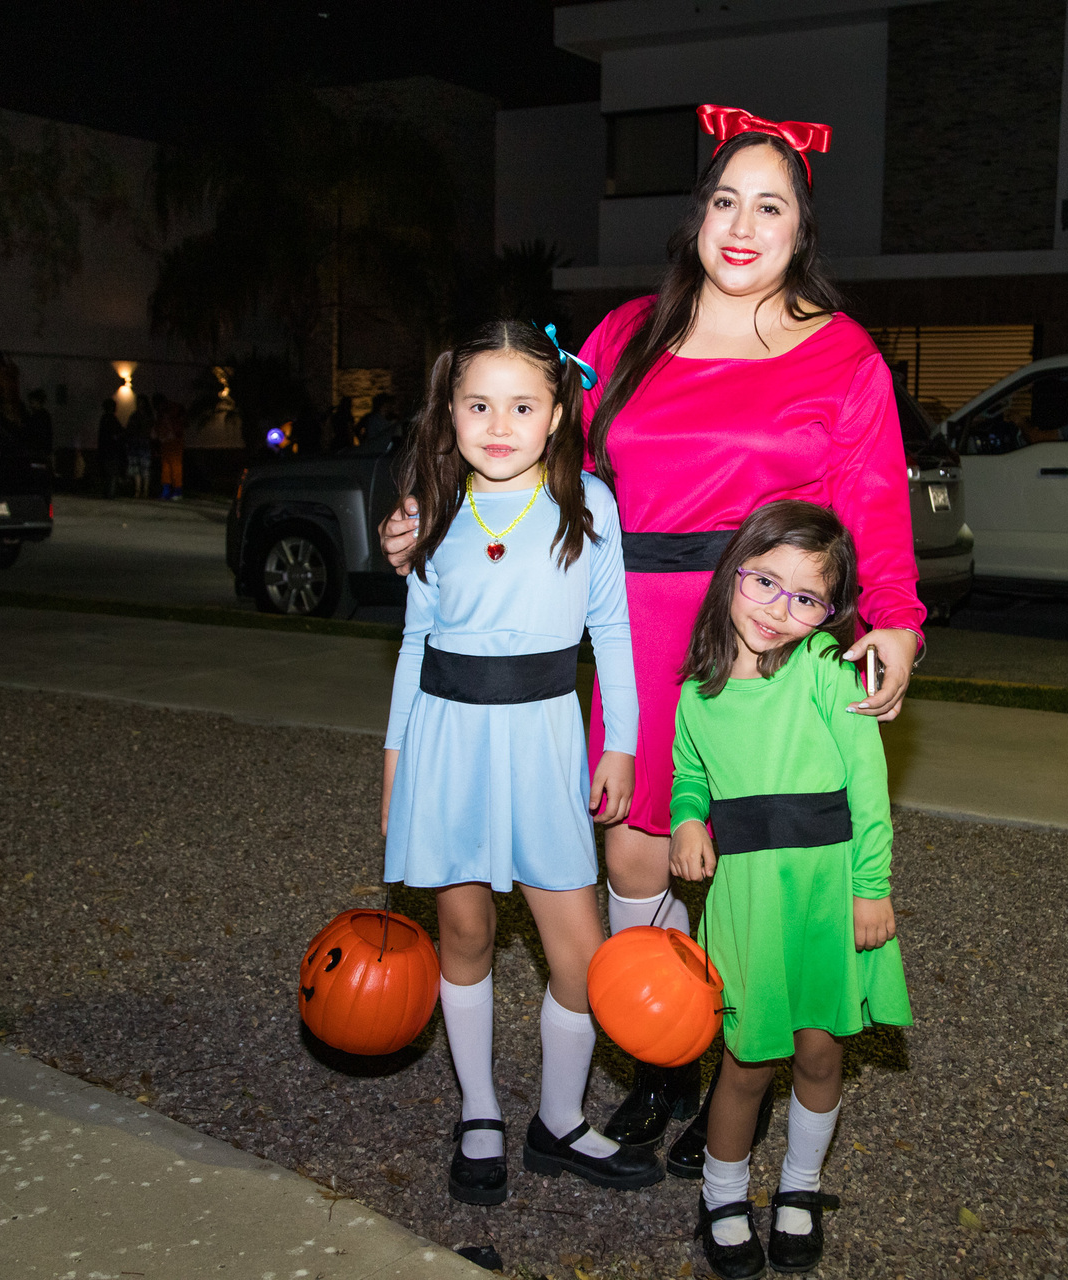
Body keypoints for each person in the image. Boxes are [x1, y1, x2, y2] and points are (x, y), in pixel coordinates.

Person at [381, 104, 924, 1167]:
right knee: (638, 864)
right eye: (725, 199)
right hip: (636, 626)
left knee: (759, 872)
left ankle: (746, 1067)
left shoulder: (844, 355)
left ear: (800, 228)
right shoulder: (626, 336)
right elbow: (521, 445)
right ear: (697, 217)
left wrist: (897, 620)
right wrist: (417, 514)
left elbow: (873, 499)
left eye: (769, 206)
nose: (742, 224)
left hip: (765, 649)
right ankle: (661, 1053)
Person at [381, 319, 657, 1206]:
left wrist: (620, 744)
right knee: (462, 936)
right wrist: (394, 766)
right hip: (446, 743)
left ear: (555, 417)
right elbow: (414, 643)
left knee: (579, 957)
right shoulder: (430, 509)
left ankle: (560, 1119)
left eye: (521, 405)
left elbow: (613, 630)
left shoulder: (591, 508)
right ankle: (480, 1111)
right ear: (449, 414)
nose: (499, 424)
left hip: (544, 742)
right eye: (478, 404)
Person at [666, 500, 910, 1278]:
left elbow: (870, 790)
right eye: (765, 582)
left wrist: (870, 888)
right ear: (732, 572)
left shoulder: (829, 675)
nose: (780, 610)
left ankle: (800, 1188)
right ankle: (723, 1192)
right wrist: (687, 820)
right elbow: (689, 776)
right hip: (749, 902)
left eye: (807, 598)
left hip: (829, 892)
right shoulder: (697, 692)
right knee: (745, 1061)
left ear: (830, 613)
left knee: (820, 1053)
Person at [154, 393, 188, 499]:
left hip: (174, 442)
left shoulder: (173, 409)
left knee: (175, 466)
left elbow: (183, 423)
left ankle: (177, 491)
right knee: (166, 468)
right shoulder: (162, 412)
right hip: (166, 443)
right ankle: (167, 490)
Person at [125, 393, 156, 499]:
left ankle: (145, 491)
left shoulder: (148, 416)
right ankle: (138, 491)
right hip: (135, 445)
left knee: (145, 469)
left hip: (144, 445)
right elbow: (129, 429)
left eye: (141, 402)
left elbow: (151, 430)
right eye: (138, 402)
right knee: (136, 469)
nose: (139, 404)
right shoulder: (134, 416)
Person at [94, 398, 124, 499]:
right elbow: (119, 433)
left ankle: (106, 492)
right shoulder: (111, 419)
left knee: (106, 473)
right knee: (111, 473)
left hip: (104, 450)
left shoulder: (104, 419)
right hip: (111, 450)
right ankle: (110, 493)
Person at [21, 388, 55, 463]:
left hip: (38, 451)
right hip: (41, 450)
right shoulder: (44, 415)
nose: (30, 405)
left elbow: (32, 432)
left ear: (37, 402)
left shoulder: (38, 417)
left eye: (32, 402)